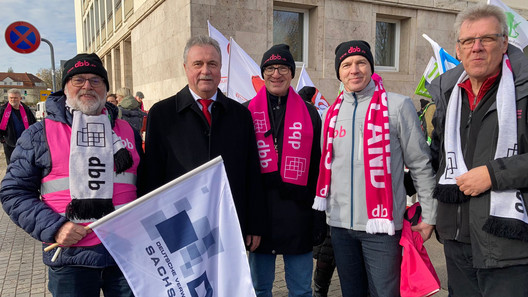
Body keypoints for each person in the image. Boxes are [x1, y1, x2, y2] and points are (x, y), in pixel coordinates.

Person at [0, 53, 143, 297]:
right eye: (78, 80)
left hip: (126, 253)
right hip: (70, 258)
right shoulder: (39, 134)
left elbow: (143, 184)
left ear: (106, 88)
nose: (87, 85)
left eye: (96, 80)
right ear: (66, 87)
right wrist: (55, 228)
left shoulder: (126, 130)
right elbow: (13, 192)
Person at [312, 40, 437, 297]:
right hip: (340, 227)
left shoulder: (398, 106)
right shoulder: (331, 114)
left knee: (385, 293)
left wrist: (429, 216)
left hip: (382, 228)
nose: (354, 70)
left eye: (361, 62)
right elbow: (327, 167)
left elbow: (420, 164)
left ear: (371, 66)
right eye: (346, 65)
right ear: (339, 72)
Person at [428, 4, 528, 296]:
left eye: (487, 38)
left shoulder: (523, 89)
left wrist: (493, 174)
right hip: (456, 241)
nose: (477, 48)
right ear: (458, 49)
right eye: (468, 41)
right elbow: (438, 156)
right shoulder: (448, 92)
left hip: (509, 245)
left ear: (505, 43)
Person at [139, 35, 265, 252]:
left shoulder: (240, 115)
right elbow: (152, 174)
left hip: (229, 222)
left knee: (228, 285)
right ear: (186, 67)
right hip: (179, 226)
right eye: (198, 64)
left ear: (220, 69)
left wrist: (254, 222)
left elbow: (251, 173)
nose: (205, 70)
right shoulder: (161, 114)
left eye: (212, 64)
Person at [246, 44, 324, 297]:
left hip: (298, 215)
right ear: (263, 73)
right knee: (259, 289)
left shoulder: (311, 114)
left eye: (282, 67)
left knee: (301, 290)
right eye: (269, 68)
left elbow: (317, 167)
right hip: (260, 216)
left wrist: (318, 215)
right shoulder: (246, 111)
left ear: (291, 73)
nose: (275, 73)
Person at [0, 89, 36, 164]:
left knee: (26, 162)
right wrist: (2, 139)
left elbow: (33, 123)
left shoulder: (26, 109)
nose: (13, 100)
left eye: (15, 98)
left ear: (20, 98)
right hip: (10, 142)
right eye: (11, 98)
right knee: (11, 163)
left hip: (25, 142)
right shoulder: (3, 110)